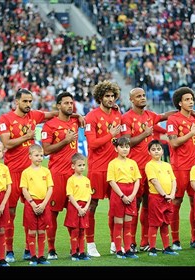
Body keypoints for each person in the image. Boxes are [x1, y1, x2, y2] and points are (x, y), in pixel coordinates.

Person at [0, 88, 62, 262]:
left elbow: (53, 114)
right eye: (25, 101)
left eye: (30, 101)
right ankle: (9, 250)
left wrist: (75, 115)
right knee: (10, 212)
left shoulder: (34, 115)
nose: (28, 104)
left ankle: (29, 249)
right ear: (16, 101)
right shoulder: (5, 119)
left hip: (31, 173)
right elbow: (7, 143)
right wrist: (26, 136)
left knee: (32, 212)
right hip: (12, 172)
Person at [121, 87, 176, 252]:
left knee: (148, 206)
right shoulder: (126, 118)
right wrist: (145, 134)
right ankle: (131, 242)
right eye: (138, 96)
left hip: (151, 169)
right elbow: (126, 142)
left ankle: (145, 242)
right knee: (134, 206)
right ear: (131, 100)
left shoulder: (150, 115)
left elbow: (165, 115)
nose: (142, 98)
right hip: (135, 169)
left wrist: (183, 110)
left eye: (144, 95)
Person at [41, 92, 81, 260]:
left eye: (71, 103)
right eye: (66, 103)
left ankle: (76, 249)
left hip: (74, 176)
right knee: (53, 213)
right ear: (58, 105)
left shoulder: (75, 121)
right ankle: (51, 249)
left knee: (75, 212)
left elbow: (90, 116)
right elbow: (45, 150)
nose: (69, 106)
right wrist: (65, 140)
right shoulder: (49, 126)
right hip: (56, 174)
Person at [84, 80, 122, 256]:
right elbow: (92, 144)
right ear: (100, 97)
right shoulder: (91, 116)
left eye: (112, 96)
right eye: (107, 96)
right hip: (97, 168)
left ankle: (115, 242)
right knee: (92, 205)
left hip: (115, 168)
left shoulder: (117, 114)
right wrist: (110, 134)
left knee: (116, 206)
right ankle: (90, 245)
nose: (110, 99)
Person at [166, 86, 195, 250]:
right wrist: (191, 133)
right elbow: (173, 143)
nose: (191, 101)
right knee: (176, 202)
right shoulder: (173, 120)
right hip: (179, 167)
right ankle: (175, 240)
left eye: (192, 99)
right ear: (179, 103)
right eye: (187, 99)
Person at [107, 136, 141, 259]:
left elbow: (137, 180)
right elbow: (111, 181)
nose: (125, 149)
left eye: (127, 147)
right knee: (118, 223)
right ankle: (118, 250)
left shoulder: (133, 163)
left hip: (131, 193)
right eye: (122, 147)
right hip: (118, 194)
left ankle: (127, 249)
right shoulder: (112, 164)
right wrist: (122, 195)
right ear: (116, 149)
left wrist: (132, 195)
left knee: (128, 223)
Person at [20, 144, 53, 266]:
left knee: (42, 231)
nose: (39, 158)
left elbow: (50, 188)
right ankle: (33, 256)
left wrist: (44, 203)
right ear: (30, 156)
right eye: (36, 155)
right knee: (32, 231)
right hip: (31, 205)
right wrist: (33, 204)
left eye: (41, 155)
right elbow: (24, 190)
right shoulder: (26, 172)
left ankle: (41, 256)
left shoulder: (46, 171)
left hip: (44, 204)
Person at [144, 140, 178, 257]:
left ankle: (166, 247)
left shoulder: (167, 165)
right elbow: (154, 181)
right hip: (156, 198)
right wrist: (164, 194)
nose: (156, 151)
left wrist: (172, 194)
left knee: (165, 223)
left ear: (162, 151)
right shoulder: (149, 165)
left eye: (158, 149)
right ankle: (152, 248)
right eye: (153, 150)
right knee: (154, 223)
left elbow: (173, 180)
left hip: (168, 198)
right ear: (149, 152)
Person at [64, 153, 92, 261]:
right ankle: (74, 253)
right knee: (75, 231)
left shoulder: (86, 180)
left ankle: (82, 252)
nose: (82, 167)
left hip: (84, 208)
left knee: (82, 231)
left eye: (83, 165)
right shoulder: (71, 180)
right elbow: (70, 195)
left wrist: (85, 208)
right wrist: (78, 208)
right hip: (75, 207)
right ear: (73, 166)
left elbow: (89, 195)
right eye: (79, 165)